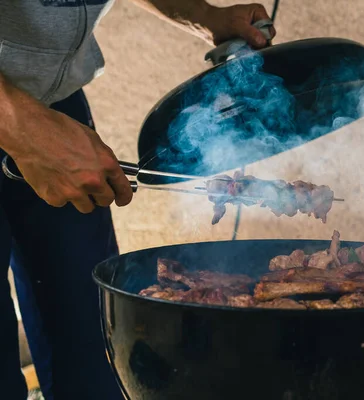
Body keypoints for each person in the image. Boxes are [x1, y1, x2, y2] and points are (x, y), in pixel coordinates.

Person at [0, 1, 276, 399]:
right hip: (16, 111)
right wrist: (15, 120)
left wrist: (203, 15)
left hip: (56, 105)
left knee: (94, 345)